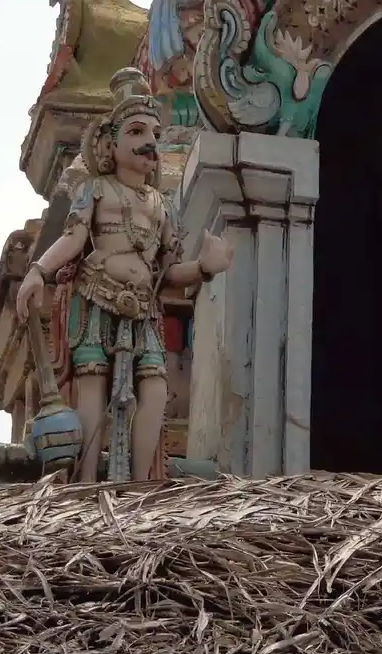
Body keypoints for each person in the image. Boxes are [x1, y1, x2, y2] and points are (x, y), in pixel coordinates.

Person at [16, 67, 233, 483]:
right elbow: (75, 238)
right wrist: (38, 271)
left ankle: (139, 484)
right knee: (92, 383)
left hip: (143, 309)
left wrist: (206, 267)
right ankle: (84, 483)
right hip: (96, 298)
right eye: (135, 132)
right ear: (109, 143)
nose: (148, 142)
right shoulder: (95, 190)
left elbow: (168, 273)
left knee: (153, 387)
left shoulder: (162, 204)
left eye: (153, 133)